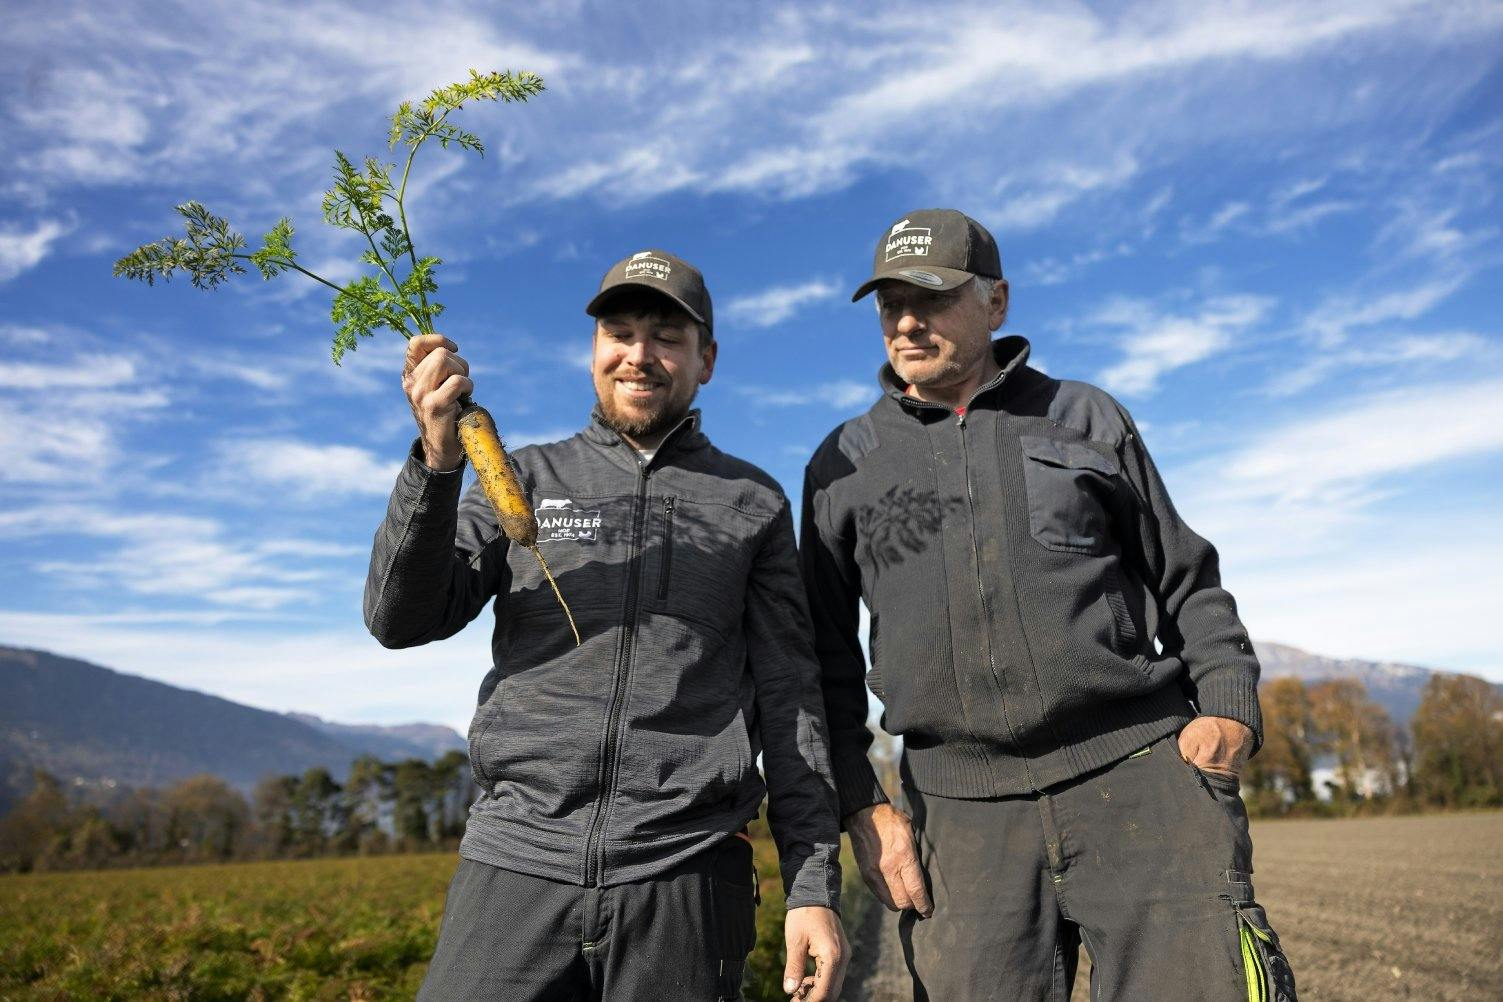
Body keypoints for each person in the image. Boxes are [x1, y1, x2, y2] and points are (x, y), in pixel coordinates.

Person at [800, 209, 1297, 1001]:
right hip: (960, 821)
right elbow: (820, 658)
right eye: (888, 302)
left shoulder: (1084, 417)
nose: (904, 320)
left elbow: (1187, 579)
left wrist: (1229, 703)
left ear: (995, 302)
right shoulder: (843, 465)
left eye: (929, 296)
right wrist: (860, 801)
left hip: (1137, 776)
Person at [365, 249, 848, 1001]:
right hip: (515, 865)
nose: (638, 355)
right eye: (618, 333)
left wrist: (811, 884)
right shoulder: (521, 476)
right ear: (594, 352)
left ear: (706, 359)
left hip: (685, 875)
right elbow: (401, 619)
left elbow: (791, 699)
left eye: (665, 336)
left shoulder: (751, 501)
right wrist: (435, 461)